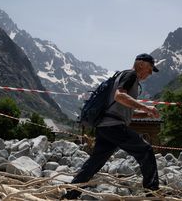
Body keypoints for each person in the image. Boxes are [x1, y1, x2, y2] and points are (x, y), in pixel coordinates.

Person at [63, 53, 161, 200]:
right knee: (146, 150)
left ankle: (71, 194)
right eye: (150, 68)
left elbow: (122, 109)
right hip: (114, 126)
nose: (150, 73)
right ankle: (152, 192)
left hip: (105, 126)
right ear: (140, 64)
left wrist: (144, 114)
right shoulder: (131, 75)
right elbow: (119, 96)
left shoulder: (122, 76)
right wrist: (146, 108)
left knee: (95, 162)